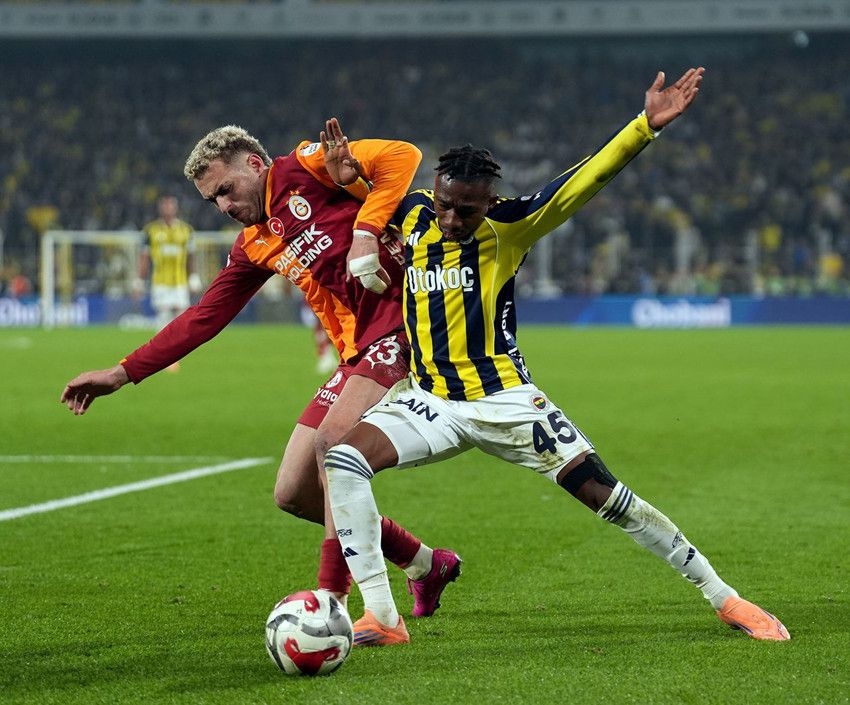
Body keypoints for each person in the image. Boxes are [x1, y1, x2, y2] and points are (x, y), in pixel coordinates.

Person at [324, 68, 791, 646]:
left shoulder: (510, 226)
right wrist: (349, 180)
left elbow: (582, 181)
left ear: (489, 202)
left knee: (611, 500)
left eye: (466, 210)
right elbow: (370, 199)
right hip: (430, 401)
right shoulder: (415, 212)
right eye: (445, 205)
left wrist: (644, 126)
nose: (451, 219)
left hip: (507, 401)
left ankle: (725, 597)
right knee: (343, 460)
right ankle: (382, 616)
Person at [60, 119, 461, 619]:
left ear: (254, 164)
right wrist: (121, 373)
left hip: (406, 328)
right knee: (293, 492)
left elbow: (403, 154)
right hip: (358, 351)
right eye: (213, 200)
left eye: (226, 190)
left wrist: (366, 232)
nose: (223, 207)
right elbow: (203, 317)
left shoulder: (308, 166)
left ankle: (342, 607)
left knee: (332, 445)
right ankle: (425, 563)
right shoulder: (253, 243)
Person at [138, 195, 199, 330]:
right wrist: (140, 281)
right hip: (160, 282)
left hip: (180, 282)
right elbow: (144, 257)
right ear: (160, 209)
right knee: (163, 321)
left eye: (170, 205)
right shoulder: (150, 230)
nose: (167, 209)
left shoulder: (186, 230)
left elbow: (190, 256)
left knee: (182, 320)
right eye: (165, 206)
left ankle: (180, 344)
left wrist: (193, 277)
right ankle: (164, 344)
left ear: (175, 208)